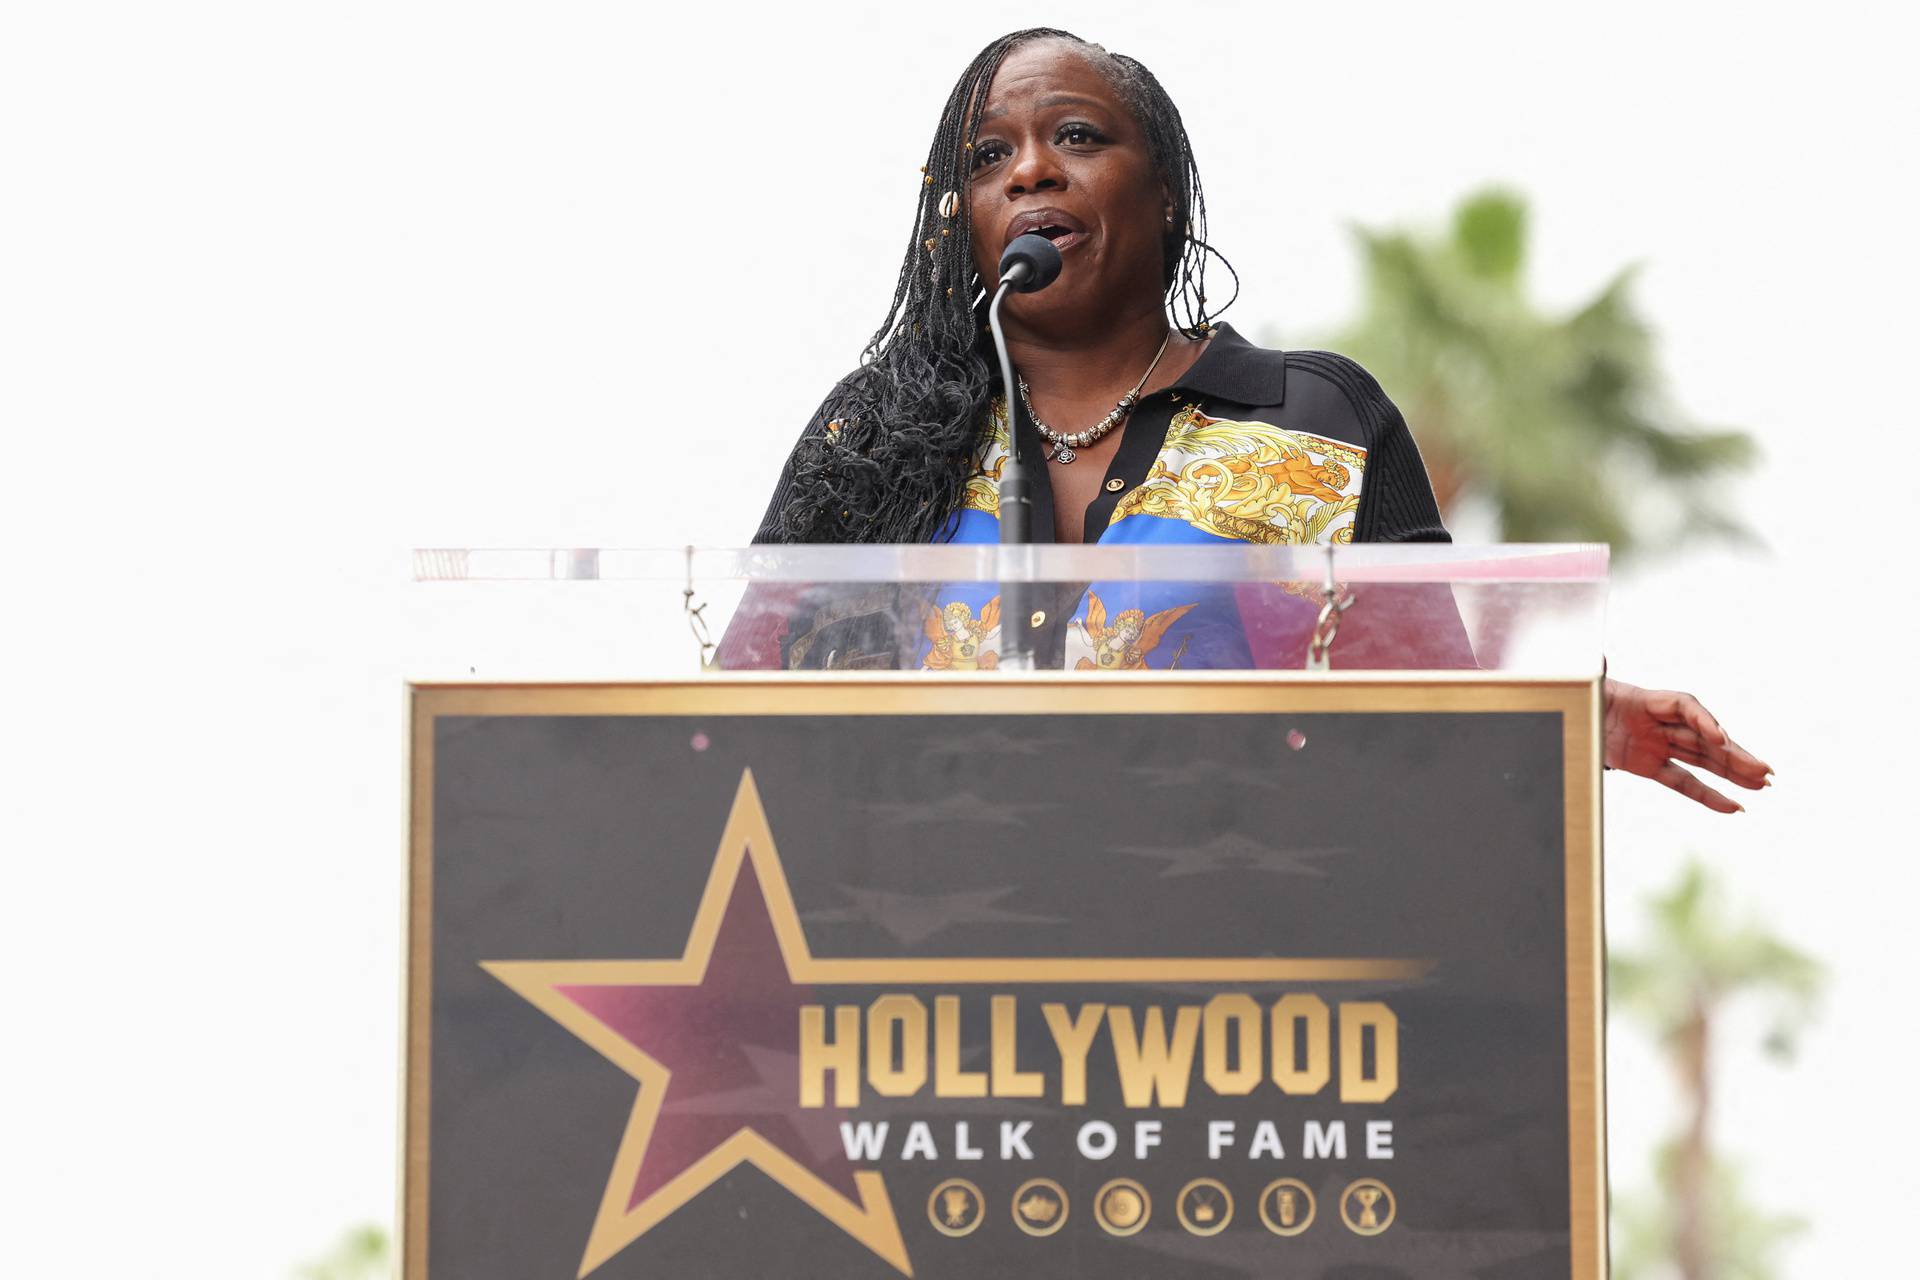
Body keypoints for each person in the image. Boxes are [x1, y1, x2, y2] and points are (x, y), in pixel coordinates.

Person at [748, 27, 1770, 814]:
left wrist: (1566, 715)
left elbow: (1421, 707)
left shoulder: (1316, 417)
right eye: (987, 156)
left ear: (1165, 196)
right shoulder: (879, 437)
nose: (1028, 172)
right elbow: (730, 714)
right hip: (909, 1017)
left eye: (1076, 137)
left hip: (1236, 1017)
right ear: (958, 224)